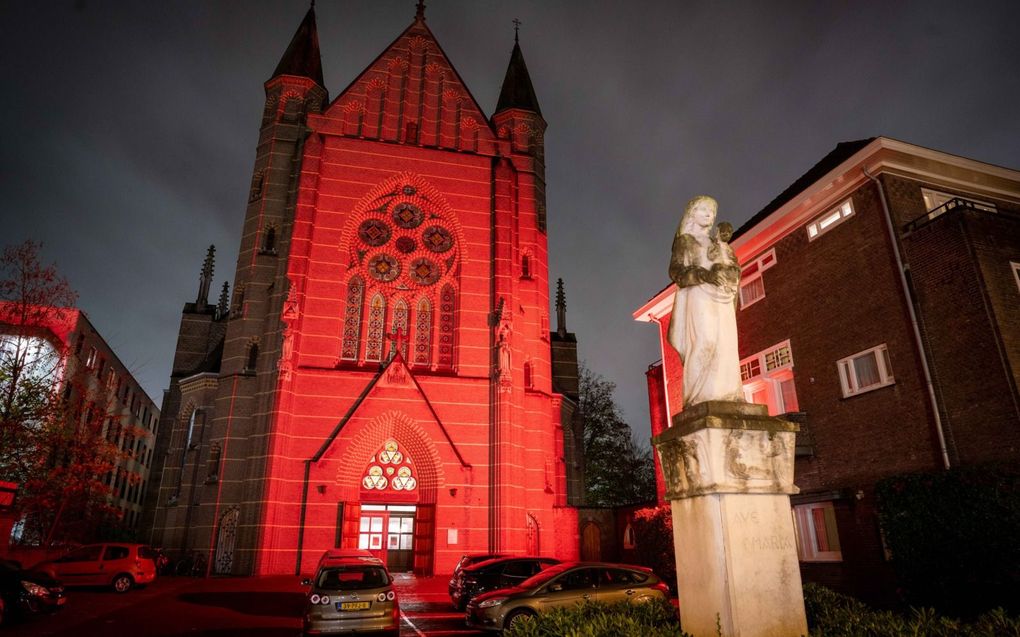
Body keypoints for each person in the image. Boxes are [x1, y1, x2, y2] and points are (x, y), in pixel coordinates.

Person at [667, 196, 744, 406]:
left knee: (725, 345)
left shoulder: (717, 242)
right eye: (703, 209)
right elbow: (675, 272)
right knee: (704, 342)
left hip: (721, 298)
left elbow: (732, 264)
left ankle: (728, 395)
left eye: (712, 211)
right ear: (692, 214)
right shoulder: (685, 241)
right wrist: (702, 275)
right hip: (698, 295)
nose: (709, 214)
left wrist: (730, 273)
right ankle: (697, 399)